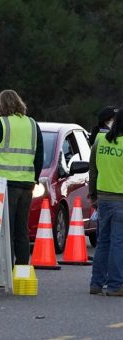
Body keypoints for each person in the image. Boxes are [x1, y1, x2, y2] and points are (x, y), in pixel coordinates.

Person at [0, 89, 43, 265]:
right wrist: (34, 179)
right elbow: (39, 156)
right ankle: (21, 269)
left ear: (0, 106)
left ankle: (5, 270)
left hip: (4, 183)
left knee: (6, 229)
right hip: (26, 184)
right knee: (21, 229)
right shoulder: (32, 124)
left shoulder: (1, 124)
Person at [88, 107, 123, 296]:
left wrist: (92, 194)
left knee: (103, 241)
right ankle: (116, 285)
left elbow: (92, 170)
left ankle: (96, 283)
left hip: (103, 197)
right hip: (120, 198)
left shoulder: (100, 140)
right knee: (118, 242)